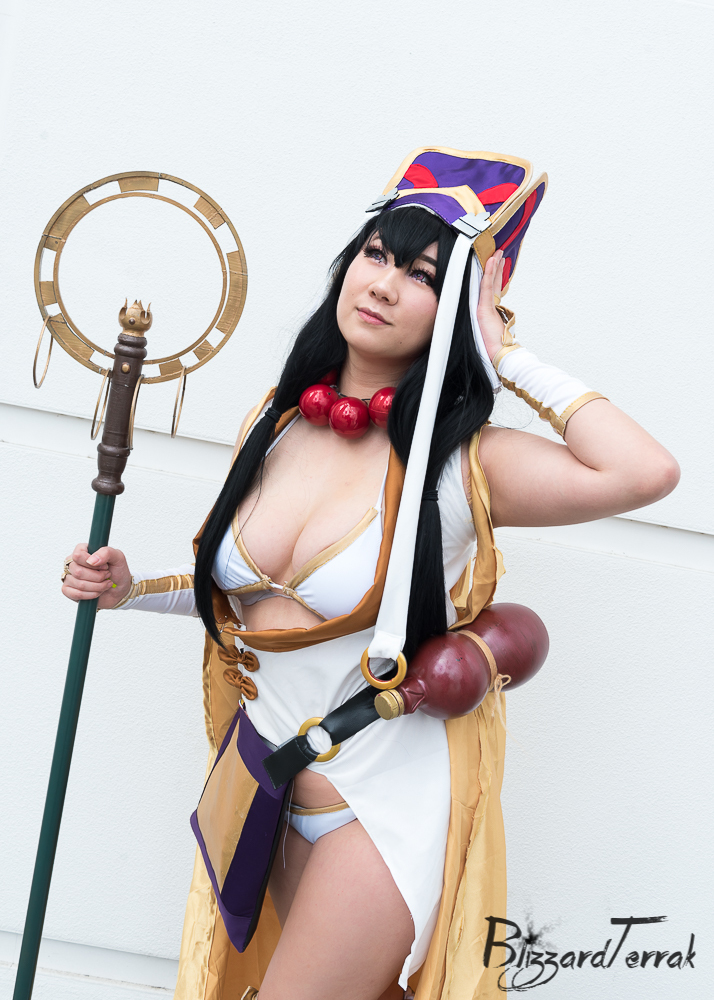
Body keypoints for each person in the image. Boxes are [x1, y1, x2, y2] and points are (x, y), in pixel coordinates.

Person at [61, 148, 679, 1000]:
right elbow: (240, 593)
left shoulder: (464, 465)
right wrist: (130, 589)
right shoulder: (274, 423)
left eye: (423, 276)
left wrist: (507, 353)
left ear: (456, 307)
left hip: (380, 808)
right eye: (377, 254)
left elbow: (643, 473)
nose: (384, 285)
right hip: (267, 783)